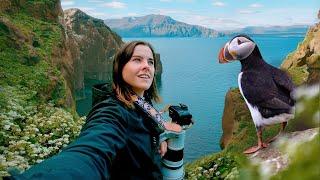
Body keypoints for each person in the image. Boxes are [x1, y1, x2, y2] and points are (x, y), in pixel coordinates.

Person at [8, 41, 181, 179]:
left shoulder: (141, 100)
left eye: (150, 62)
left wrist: (158, 133)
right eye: (137, 60)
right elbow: (92, 149)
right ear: (120, 67)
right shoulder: (112, 110)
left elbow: (142, 123)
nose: (147, 66)